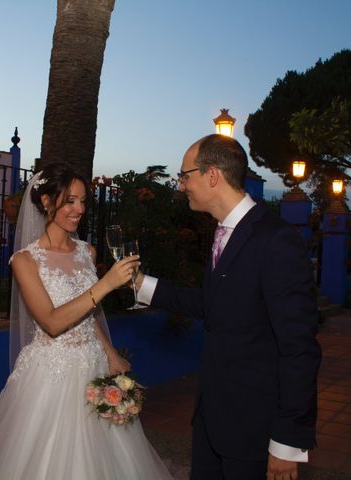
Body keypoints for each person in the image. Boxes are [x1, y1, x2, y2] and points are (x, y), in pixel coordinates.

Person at [0, 163, 172, 479]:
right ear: (47, 203)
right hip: (52, 373)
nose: (80, 209)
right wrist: (105, 284)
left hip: (93, 365)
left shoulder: (86, 252)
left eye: (83, 201)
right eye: (70, 201)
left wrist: (110, 352)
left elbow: (88, 315)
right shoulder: (25, 260)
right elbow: (51, 321)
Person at [136, 134, 321, 480]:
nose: (181, 185)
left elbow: (299, 348)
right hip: (213, 420)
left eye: (185, 175)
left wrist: (287, 441)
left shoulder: (275, 239)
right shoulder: (224, 233)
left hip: (255, 429)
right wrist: (142, 285)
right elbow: (214, 306)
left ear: (212, 176)